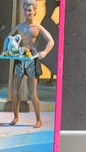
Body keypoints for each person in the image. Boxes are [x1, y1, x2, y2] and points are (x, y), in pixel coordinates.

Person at [5, 0, 54, 128]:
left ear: (35, 11)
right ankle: (16, 116)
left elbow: (51, 41)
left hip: (32, 60)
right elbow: (8, 37)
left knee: (32, 93)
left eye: (30, 10)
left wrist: (45, 52)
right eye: (26, 10)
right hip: (20, 59)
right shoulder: (19, 27)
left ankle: (39, 120)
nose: (28, 13)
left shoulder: (38, 28)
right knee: (15, 91)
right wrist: (8, 49)